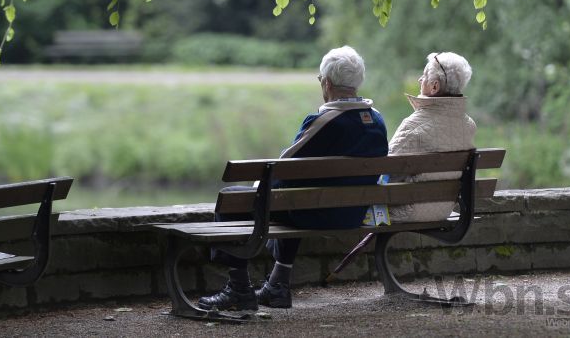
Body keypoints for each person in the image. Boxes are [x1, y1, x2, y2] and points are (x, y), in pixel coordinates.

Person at [197, 46, 388, 311]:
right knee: (296, 195)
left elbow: (281, 167)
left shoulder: (325, 121)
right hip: (353, 214)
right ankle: (278, 284)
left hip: (318, 213)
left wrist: (257, 190)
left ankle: (239, 288)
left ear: (327, 83)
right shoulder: (377, 121)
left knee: (235, 198)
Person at [387, 52, 476, 223]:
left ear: (434, 87)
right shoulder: (469, 126)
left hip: (407, 210)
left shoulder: (414, 125)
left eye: (424, 75)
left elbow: (386, 172)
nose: (420, 80)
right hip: (443, 210)